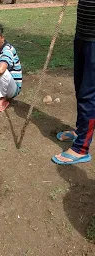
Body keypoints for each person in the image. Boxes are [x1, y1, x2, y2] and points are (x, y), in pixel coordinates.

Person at [52, 0, 95, 165]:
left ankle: (81, 149)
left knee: (88, 94)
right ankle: (81, 131)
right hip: (83, 34)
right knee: (80, 87)